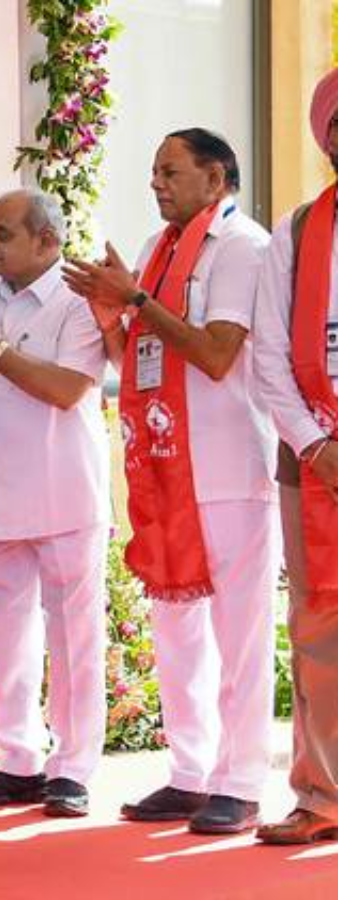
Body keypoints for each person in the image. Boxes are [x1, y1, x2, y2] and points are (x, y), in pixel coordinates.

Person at [63, 129, 276, 835]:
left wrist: (136, 299)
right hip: (164, 463)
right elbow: (140, 358)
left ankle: (241, 781)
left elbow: (215, 354)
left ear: (215, 179)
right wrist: (113, 316)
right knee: (177, 629)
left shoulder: (241, 246)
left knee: (238, 634)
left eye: (170, 171)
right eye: (154, 171)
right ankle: (190, 773)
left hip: (226, 465)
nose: (156, 182)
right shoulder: (159, 250)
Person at [0, 188, 111, 818]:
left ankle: (73, 769)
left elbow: (66, 389)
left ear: (47, 241)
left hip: (64, 493)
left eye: (2, 234)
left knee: (74, 638)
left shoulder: (78, 301)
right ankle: (17, 761)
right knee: (7, 633)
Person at [250, 67, 338, 846]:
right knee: (319, 633)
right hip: (314, 464)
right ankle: (322, 796)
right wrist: (316, 444)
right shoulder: (299, 232)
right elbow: (268, 355)